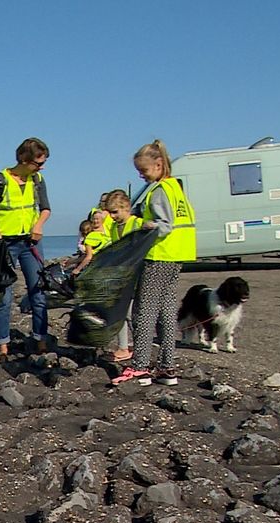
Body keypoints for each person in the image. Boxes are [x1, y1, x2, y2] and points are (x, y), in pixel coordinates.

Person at [113, 140, 196, 387]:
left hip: (159, 254)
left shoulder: (159, 190)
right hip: (177, 254)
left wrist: (141, 225)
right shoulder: (175, 188)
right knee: (167, 310)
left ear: (159, 164)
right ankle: (167, 366)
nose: (141, 175)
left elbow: (163, 225)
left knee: (144, 311)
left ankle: (140, 366)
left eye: (144, 170)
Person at [0, 138, 52, 363]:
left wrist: (38, 226)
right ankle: (3, 347)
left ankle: (40, 343)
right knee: (4, 297)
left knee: (38, 293)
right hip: (5, 246)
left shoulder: (38, 180)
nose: (41, 167)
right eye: (37, 163)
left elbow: (46, 208)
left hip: (31, 244)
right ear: (23, 158)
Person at [103, 189, 144, 362]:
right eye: (110, 212)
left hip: (137, 273)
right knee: (121, 312)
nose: (112, 216)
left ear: (126, 207)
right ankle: (123, 347)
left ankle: (139, 347)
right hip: (122, 275)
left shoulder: (138, 223)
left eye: (115, 212)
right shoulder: (114, 227)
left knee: (136, 314)